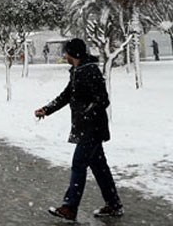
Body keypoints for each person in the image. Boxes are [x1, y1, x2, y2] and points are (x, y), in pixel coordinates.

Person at [34, 38, 123, 221]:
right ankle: (114, 205)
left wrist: (87, 113)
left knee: (79, 165)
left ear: (74, 53)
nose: (64, 55)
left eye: (66, 52)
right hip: (87, 128)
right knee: (100, 168)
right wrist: (46, 109)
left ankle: (70, 207)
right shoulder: (77, 71)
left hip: (92, 129)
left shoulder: (90, 71)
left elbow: (103, 99)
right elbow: (66, 95)